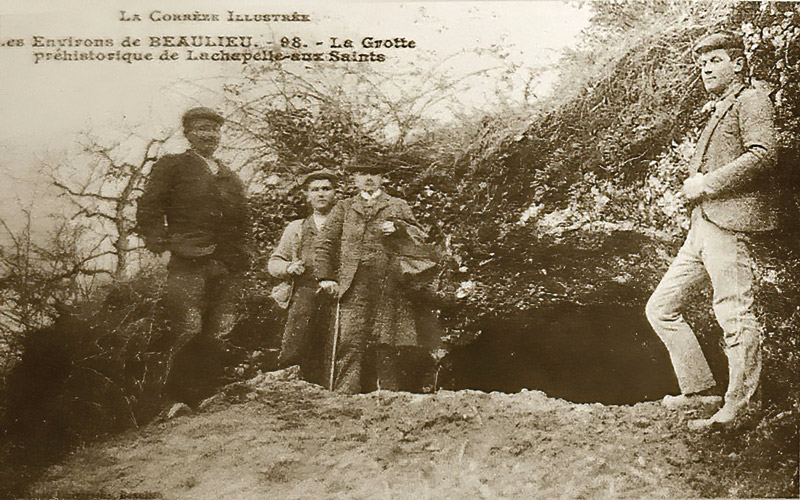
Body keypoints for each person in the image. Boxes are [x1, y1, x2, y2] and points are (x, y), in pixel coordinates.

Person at [645, 32, 778, 429]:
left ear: (738, 64)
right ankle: (701, 393)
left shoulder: (752, 100)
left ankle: (740, 407)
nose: (705, 67)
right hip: (702, 227)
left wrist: (706, 184)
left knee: (734, 315)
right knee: (661, 308)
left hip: (729, 224)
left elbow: (764, 154)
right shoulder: (721, 107)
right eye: (702, 61)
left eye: (716, 59)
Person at [136, 106, 250, 407]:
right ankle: (169, 400)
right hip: (187, 259)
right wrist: (160, 247)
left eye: (214, 130)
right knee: (186, 327)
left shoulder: (229, 176)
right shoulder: (172, 166)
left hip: (226, 264)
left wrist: (241, 257)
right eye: (201, 129)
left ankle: (205, 396)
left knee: (219, 330)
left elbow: (243, 222)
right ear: (187, 133)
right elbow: (149, 208)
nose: (209, 136)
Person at [315, 160, 438, 393]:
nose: (368, 178)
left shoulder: (397, 205)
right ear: (355, 179)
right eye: (362, 174)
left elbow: (420, 238)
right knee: (348, 338)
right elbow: (324, 243)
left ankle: (388, 396)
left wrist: (399, 228)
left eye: (374, 173)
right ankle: (344, 394)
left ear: (383, 178)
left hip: (389, 282)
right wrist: (325, 277)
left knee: (387, 340)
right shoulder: (344, 207)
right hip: (353, 283)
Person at [268, 169, 339, 386]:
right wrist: (289, 267)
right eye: (315, 190)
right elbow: (274, 263)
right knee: (294, 344)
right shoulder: (296, 228)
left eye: (326, 189)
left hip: (337, 295)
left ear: (335, 193)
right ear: (307, 195)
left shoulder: (346, 227)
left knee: (332, 349)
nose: (321, 194)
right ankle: (287, 389)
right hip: (304, 292)